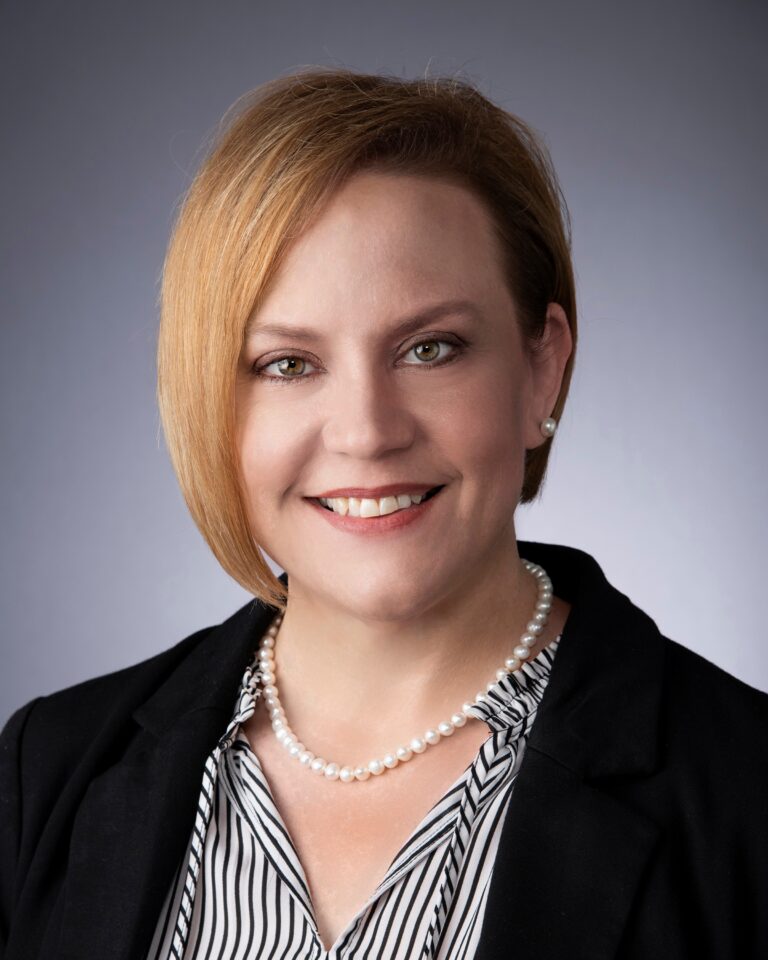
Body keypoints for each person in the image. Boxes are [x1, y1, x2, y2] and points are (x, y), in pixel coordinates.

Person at [1, 67, 766, 960]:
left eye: (430, 348)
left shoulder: (747, 797)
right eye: (287, 364)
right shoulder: (45, 771)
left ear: (541, 369)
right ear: (210, 400)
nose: (366, 433)